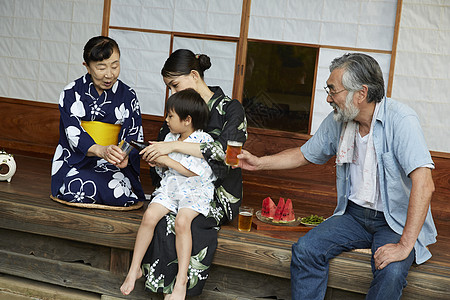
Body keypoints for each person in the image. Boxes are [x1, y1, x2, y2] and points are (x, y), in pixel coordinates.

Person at [237, 53, 436, 300]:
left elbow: (424, 184)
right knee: (306, 250)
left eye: (333, 90)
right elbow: (303, 154)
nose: (328, 98)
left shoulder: (401, 120)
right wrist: (259, 163)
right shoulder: (340, 120)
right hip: (353, 216)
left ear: (361, 93)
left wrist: (405, 245)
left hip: (394, 220)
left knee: (391, 272)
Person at [126, 49, 246, 297]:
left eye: (174, 85)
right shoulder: (178, 110)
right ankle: (164, 288)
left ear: (194, 75)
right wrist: (155, 159)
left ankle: (181, 289)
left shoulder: (231, 109)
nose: (172, 92)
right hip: (177, 185)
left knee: (182, 222)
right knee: (158, 218)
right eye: (169, 88)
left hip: (217, 192)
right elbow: (164, 157)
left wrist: (174, 146)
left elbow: (227, 154)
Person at [120, 89, 216, 299]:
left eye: (171, 115)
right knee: (150, 216)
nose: (167, 119)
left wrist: (166, 159)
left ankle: (181, 280)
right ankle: (134, 268)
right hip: (172, 188)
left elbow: (193, 172)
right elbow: (168, 171)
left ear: (187, 119)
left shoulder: (203, 140)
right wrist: (157, 163)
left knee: (182, 221)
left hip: (195, 190)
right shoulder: (170, 137)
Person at [51, 36, 145, 206]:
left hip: (113, 161)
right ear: (87, 66)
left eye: (115, 66)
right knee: (76, 188)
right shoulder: (71, 92)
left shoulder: (128, 95)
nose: (109, 74)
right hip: (80, 159)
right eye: (101, 67)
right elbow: (72, 132)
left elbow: (133, 132)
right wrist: (99, 150)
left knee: (118, 191)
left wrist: (123, 155)